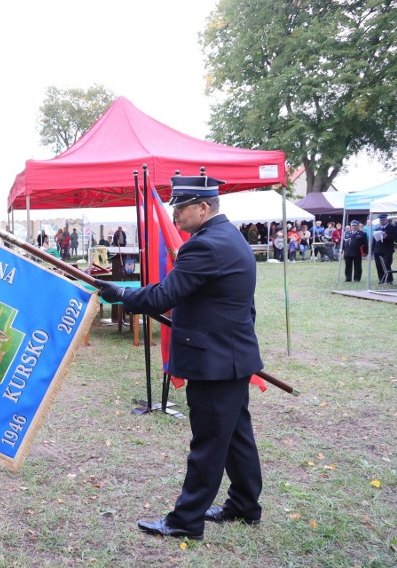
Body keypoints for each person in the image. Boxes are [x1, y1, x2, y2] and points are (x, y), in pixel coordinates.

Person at [97, 175, 263, 541]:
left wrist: (121, 293)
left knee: (208, 443)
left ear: (203, 208)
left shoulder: (205, 246)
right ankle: (245, 505)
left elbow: (163, 296)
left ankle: (185, 522)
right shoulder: (229, 236)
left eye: (180, 207)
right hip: (231, 355)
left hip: (215, 362)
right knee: (236, 436)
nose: (174, 215)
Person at [372, 213, 397, 284]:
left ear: (386, 220)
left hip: (387, 249)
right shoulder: (377, 229)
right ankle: (381, 279)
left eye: (383, 220)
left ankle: (389, 280)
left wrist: (387, 236)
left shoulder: (392, 228)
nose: (382, 221)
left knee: (386, 264)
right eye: (380, 220)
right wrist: (372, 250)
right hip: (377, 250)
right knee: (378, 265)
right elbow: (374, 240)